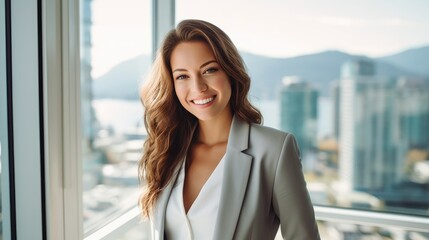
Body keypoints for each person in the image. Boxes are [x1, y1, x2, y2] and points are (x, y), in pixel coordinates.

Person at [138, 19, 320, 240]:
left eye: (209, 70)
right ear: (172, 85)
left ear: (230, 72)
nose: (198, 87)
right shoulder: (167, 150)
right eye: (182, 76)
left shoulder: (274, 150)